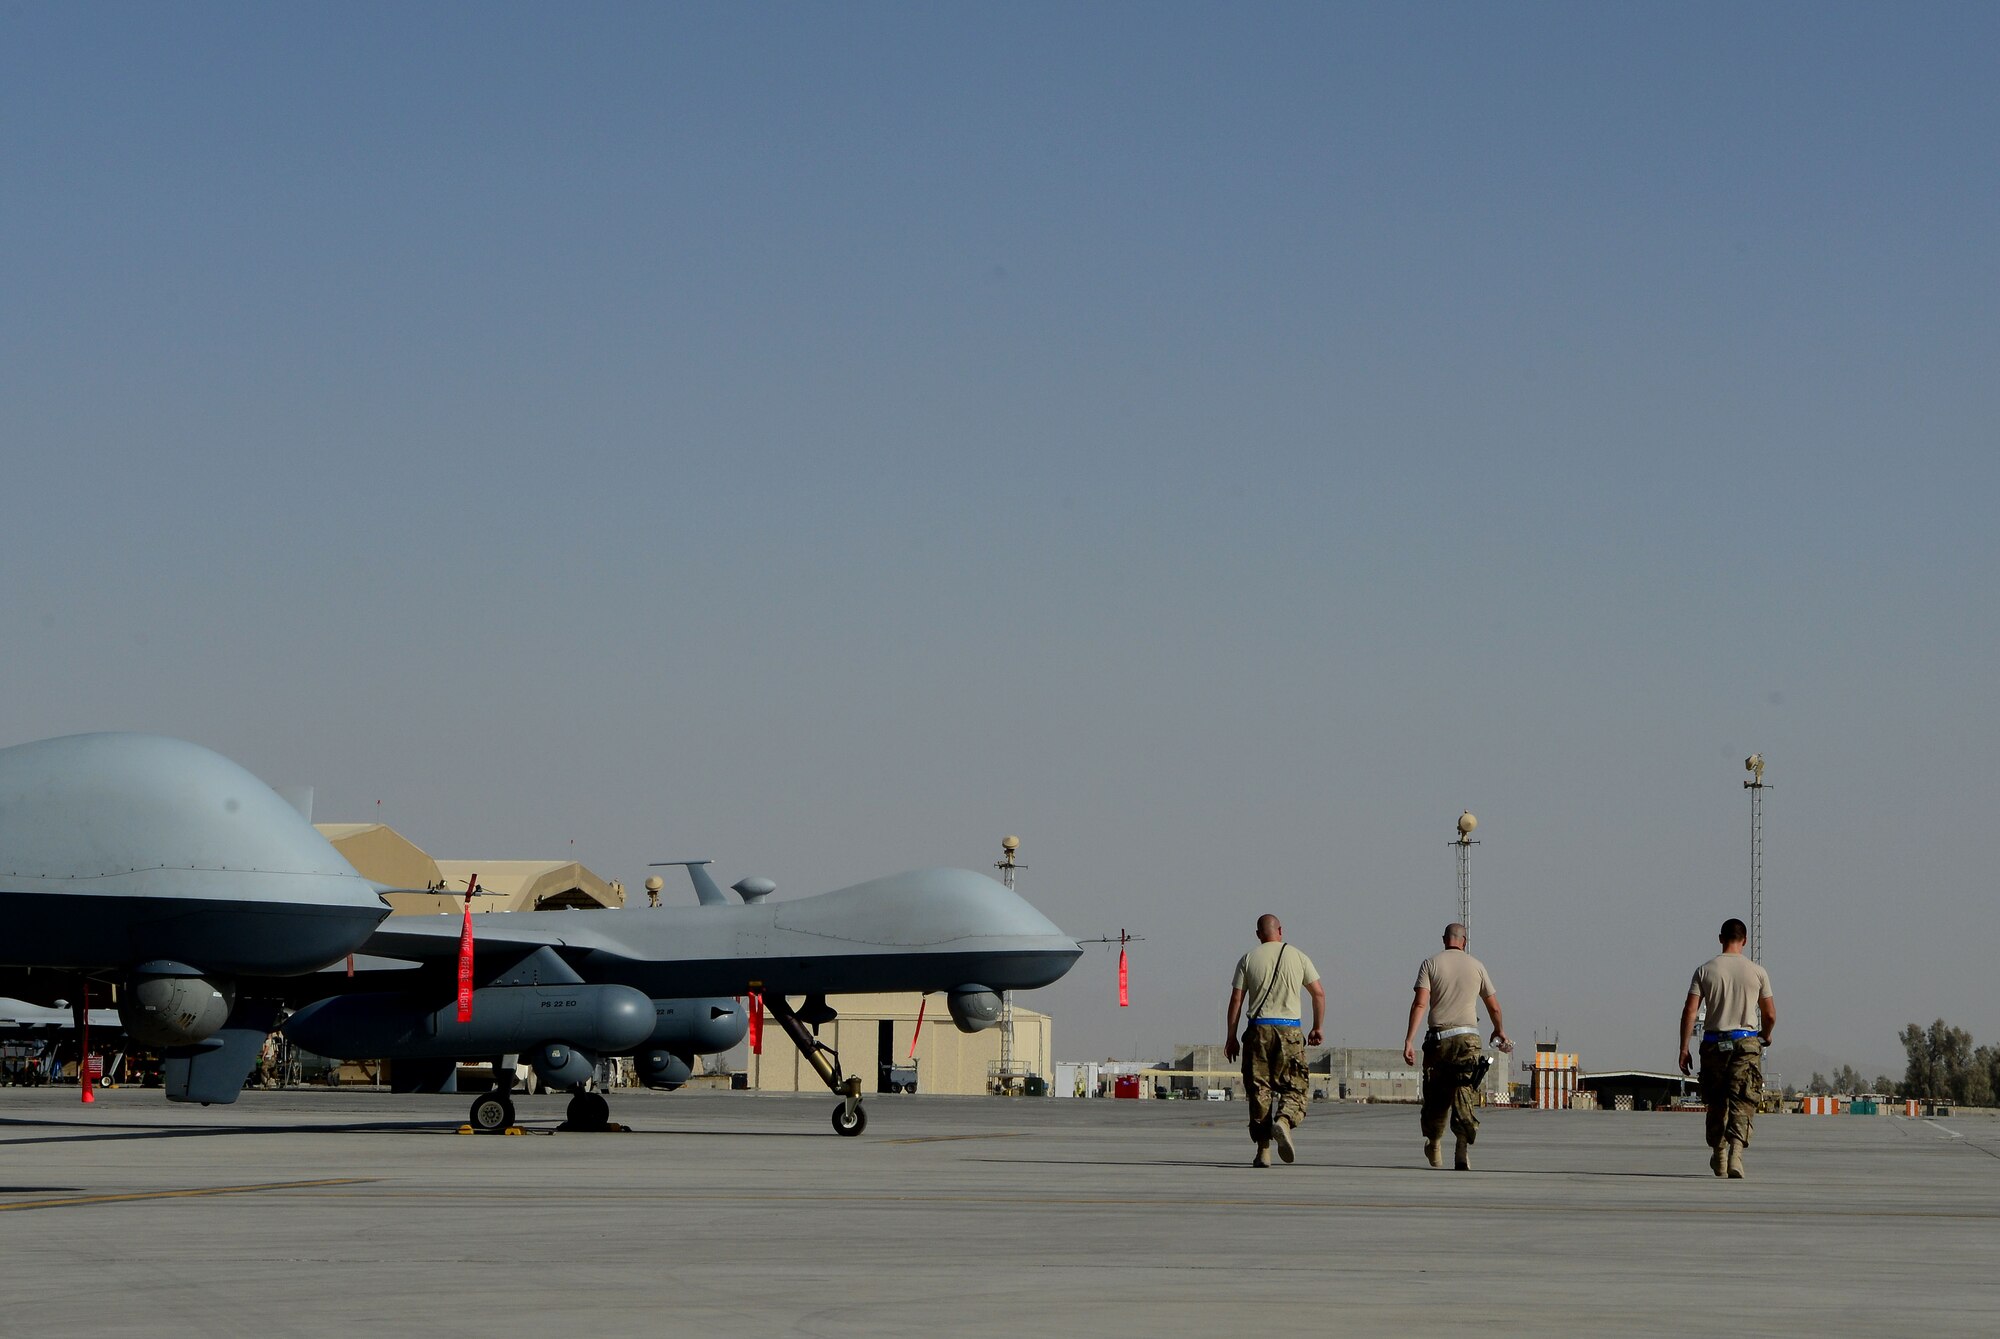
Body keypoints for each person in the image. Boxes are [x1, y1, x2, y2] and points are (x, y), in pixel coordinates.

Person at [1402, 922, 1510, 1170]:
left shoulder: (1430, 963)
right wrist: (1499, 1029)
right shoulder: (1477, 966)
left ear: (1444, 940)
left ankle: (1435, 1143)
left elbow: (1420, 1004)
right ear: (1465, 941)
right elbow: (1493, 1006)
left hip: (1438, 1038)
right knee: (1465, 1090)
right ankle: (1462, 1146)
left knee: (1436, 1094)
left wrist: (1409, 1039)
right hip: (1468, 1039)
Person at [1224, 914, 1325, 1168]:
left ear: (1258, 934)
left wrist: (1231, 1036)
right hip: (1289, 1030)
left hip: (1258, 1030)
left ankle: (1263, 1151)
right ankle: (1285, 1120)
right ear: (1280, 930)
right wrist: (1317, 1027)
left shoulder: (1248, 959)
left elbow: (1236, 1000)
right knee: (1296, 1087)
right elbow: (1318, 994)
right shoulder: (1299, 957)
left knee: (1260, 1090)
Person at [1679, 917, 1774, 1179]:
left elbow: (1690, 1010)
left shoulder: (1704, 970)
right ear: (1744, 941)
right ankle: (1736, 1155)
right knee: (1743, 1100)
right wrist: (1766, 1035)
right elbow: (1770, 1014)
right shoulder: (1758, 972)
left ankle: (1719, 1155)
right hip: (1745, 1042)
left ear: (1720, 939)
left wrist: (1684, 1048)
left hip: (1712, 1044)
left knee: (1716, 1102)